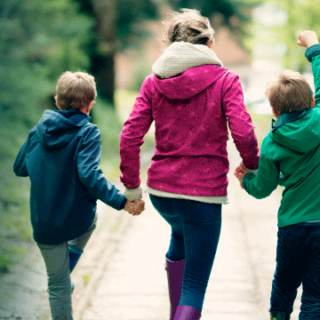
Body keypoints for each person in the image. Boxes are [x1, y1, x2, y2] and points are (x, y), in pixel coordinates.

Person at [119, 9, 260, 320]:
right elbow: (243, 131)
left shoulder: (152, 82)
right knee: (194, 284)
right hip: (203, 195)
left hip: (163, 194)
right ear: (209, 43)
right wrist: (251, 165)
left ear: (171, 43)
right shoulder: (226, 80)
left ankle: (175, 314)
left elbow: (130, 135)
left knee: (180, 236)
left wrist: (132, 188)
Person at [13, 71, 145, 320]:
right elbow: (88, 174)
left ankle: (62, 276)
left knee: (57, 284)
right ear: (90, 103)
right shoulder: (88, 132)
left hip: (44, 223)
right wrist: (121, 201)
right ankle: (64, 274)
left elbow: (19, 167)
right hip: (77, 220)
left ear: (56, 100)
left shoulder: (37, 131)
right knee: (91, 220)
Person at [235, 30, 320, 320]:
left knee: (283, 285)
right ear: (311, 102)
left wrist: (245, 179)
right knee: (315, 296)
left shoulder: (272, 142)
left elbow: (262, 188)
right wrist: (314, 49)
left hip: (292, 227)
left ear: (274, 109)